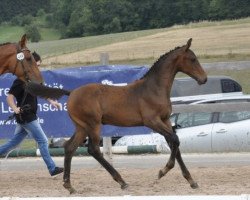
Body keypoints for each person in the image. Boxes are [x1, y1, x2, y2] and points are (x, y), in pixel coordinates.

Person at [0, 52, 64, 177]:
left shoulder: (33, 79)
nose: (38, 68)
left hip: (27, 116)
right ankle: (52, 169)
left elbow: (42, 92)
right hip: (27, 116)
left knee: (14, 142)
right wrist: (15, 108)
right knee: (44, 141)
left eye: (39, 66)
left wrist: (52, 101)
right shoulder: (20, 81)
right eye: (37, 65)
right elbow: (9, 97)